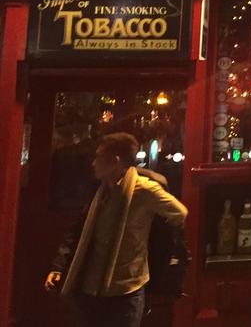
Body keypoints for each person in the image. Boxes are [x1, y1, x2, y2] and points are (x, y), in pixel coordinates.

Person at [43, 132, 188, 327]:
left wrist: (148, 243)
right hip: (90, 289)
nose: (93, 163)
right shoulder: (99, 190)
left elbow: (179, 214)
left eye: (98, 157)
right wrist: (59, 266)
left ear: (115, 161)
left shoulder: (143, 189)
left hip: (126, 291)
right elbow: (79, 230)